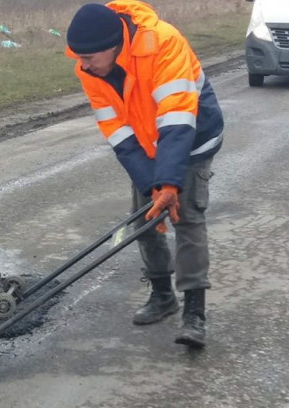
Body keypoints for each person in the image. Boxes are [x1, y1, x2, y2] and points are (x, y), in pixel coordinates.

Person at [65, 1, 224, 348]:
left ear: (113, 46)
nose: (82, 64)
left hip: (193, 136)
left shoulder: (163, 43)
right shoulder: (89, 70)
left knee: (187, 218)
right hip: (147, 143)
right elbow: (119, 134)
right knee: (145, 219)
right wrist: (153, 184)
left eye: (88, 57)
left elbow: (178, 118)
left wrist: (169, 184)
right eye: (79, 57)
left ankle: (194, 314)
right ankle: (163, 295)